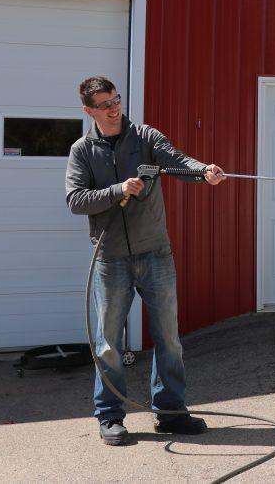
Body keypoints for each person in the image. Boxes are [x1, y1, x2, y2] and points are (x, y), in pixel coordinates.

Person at [65, 76, 225, 446]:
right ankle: (109, 417)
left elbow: (177, 160)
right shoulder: (82, 151)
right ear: (89, 110)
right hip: (111, 259)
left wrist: (203, 171)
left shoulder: (146, 138)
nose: (114, 108)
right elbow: (75, 200)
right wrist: (117, 190)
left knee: (169, 336)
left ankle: (170, 412)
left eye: (116, 99)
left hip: (155, 253)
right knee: (108, 343)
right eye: (104, 104)